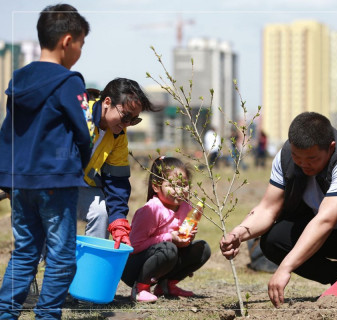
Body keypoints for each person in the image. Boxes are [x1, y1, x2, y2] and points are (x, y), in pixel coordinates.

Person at [220, 112, 337, 307]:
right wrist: (239, 232)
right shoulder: (286, 155)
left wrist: (285, 268)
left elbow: (326, 219)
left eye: (312, 158)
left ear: (330, 148)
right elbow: (268, 208)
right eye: (297, 157)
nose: (303, 164)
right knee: (273, 240)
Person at [0, 4, 91, 319]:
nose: (80, 50)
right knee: (62, 258)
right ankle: (47, 316)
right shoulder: (69, 82)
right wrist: (83, 162)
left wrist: (5, 179)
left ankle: (5, 314)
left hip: (21, 181)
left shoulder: (18, 79)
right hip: (56, 180)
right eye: (81, 43)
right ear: (68, 41)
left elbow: (7, 133)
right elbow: (84, 131)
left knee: (24, 253)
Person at [121, 156, 211, 302]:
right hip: (133, 267)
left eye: (184, 184)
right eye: (173, 185)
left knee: (203, 248)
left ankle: (166, 285)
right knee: (169, 249)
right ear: (156, 186)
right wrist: (169, 237)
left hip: (164, 259)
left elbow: (179, 242)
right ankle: (140, 288)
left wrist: (186, 240)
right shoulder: (151, 211)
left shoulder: (186, 207)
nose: (179, 190)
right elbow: (133, 247)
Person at [76, 78, 153, 248]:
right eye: (125, 116)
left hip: (80, 187)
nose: (127, 124)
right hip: (50, 182)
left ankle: (93, 266)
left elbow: (116, 179)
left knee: (101, 212)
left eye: (134, 120)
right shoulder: (80, 115)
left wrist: (118, 219)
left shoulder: (119, 135)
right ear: (107, 102)